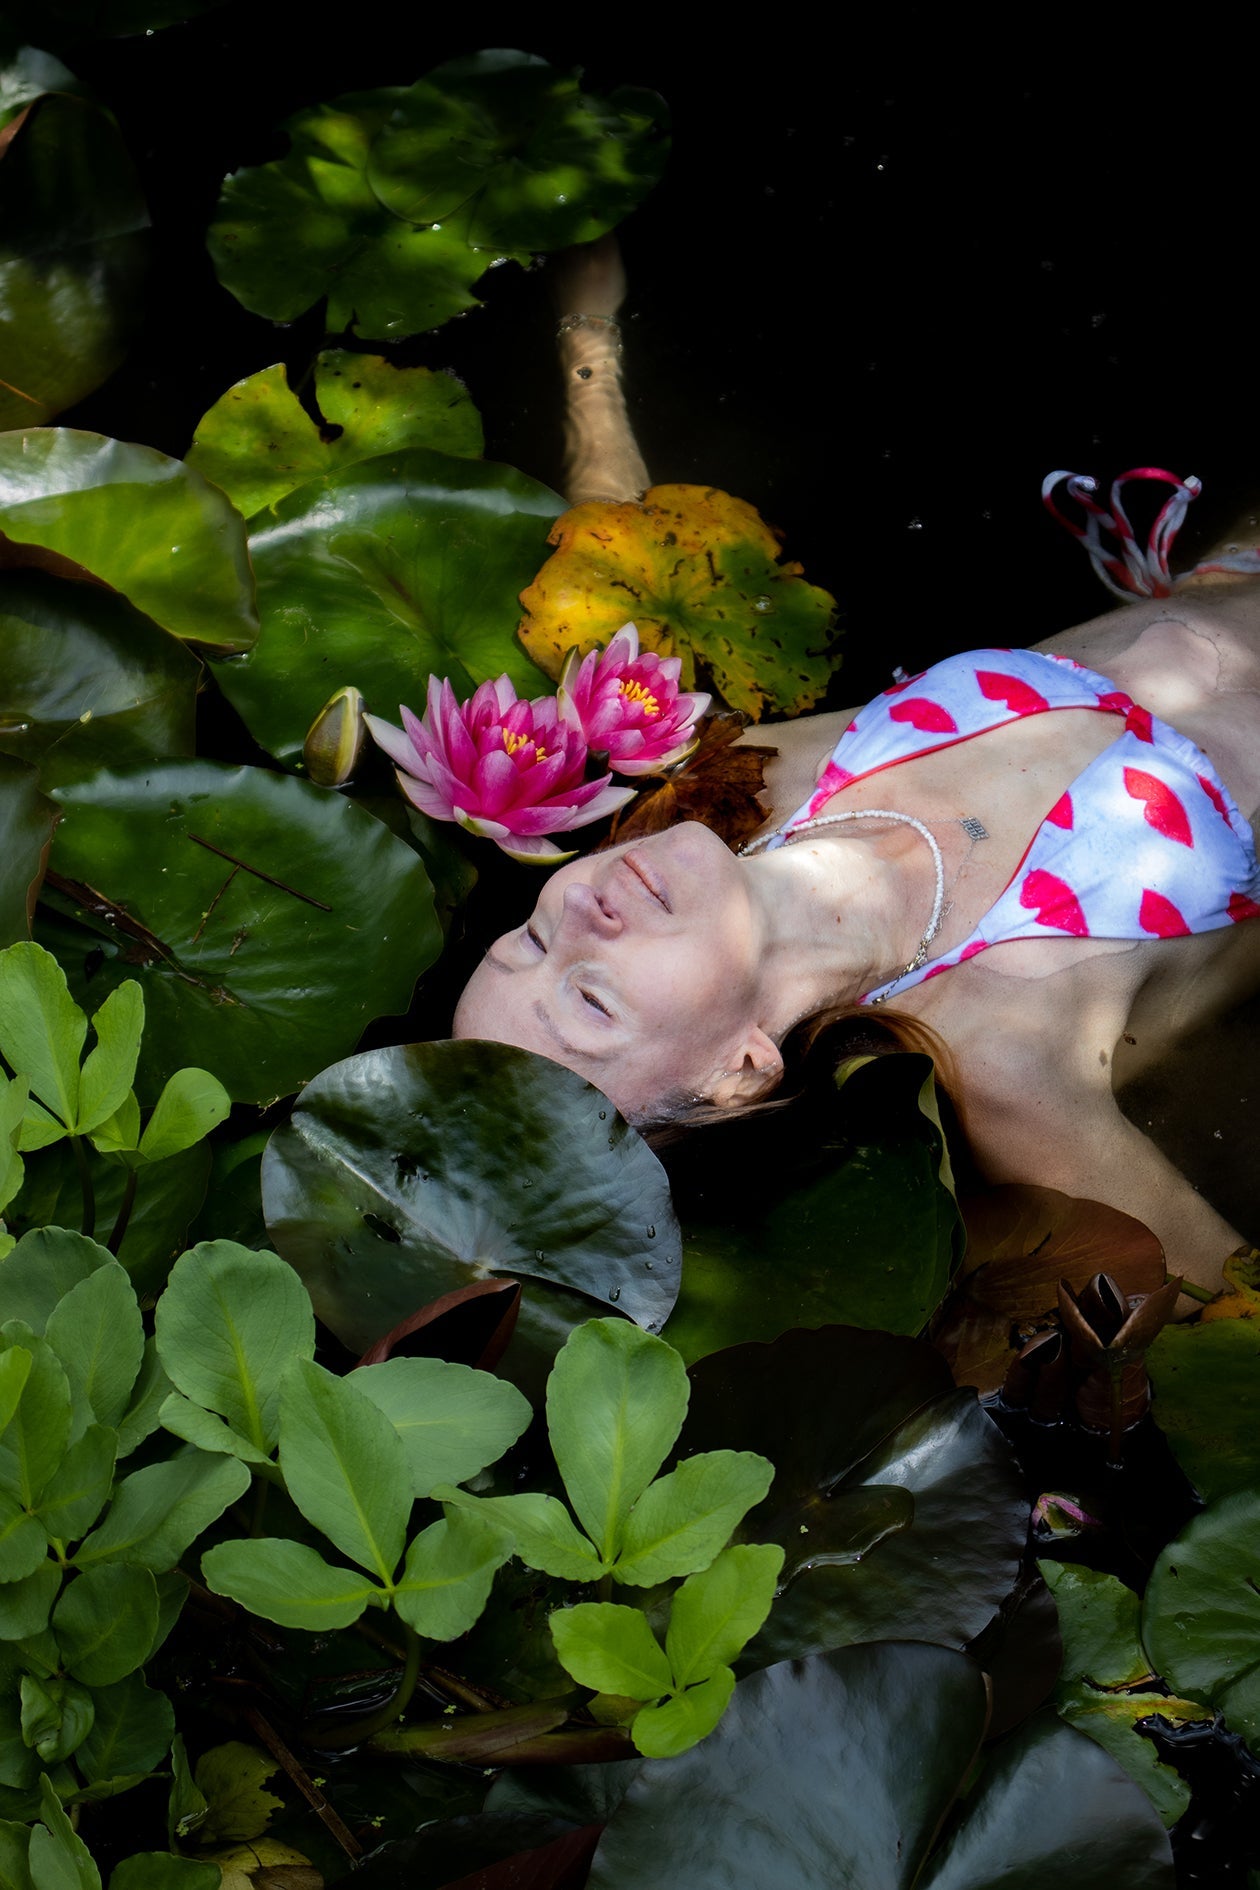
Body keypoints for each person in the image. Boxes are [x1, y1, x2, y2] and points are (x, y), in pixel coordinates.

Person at [452, 238, 1260, 1298]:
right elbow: (1235, 1334)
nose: (579, 912)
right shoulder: (1013, 1066)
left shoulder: (716, 779)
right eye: (592, 999)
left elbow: (625, 555)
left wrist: (586, 339)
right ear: (737, 1074)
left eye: (529, 937)